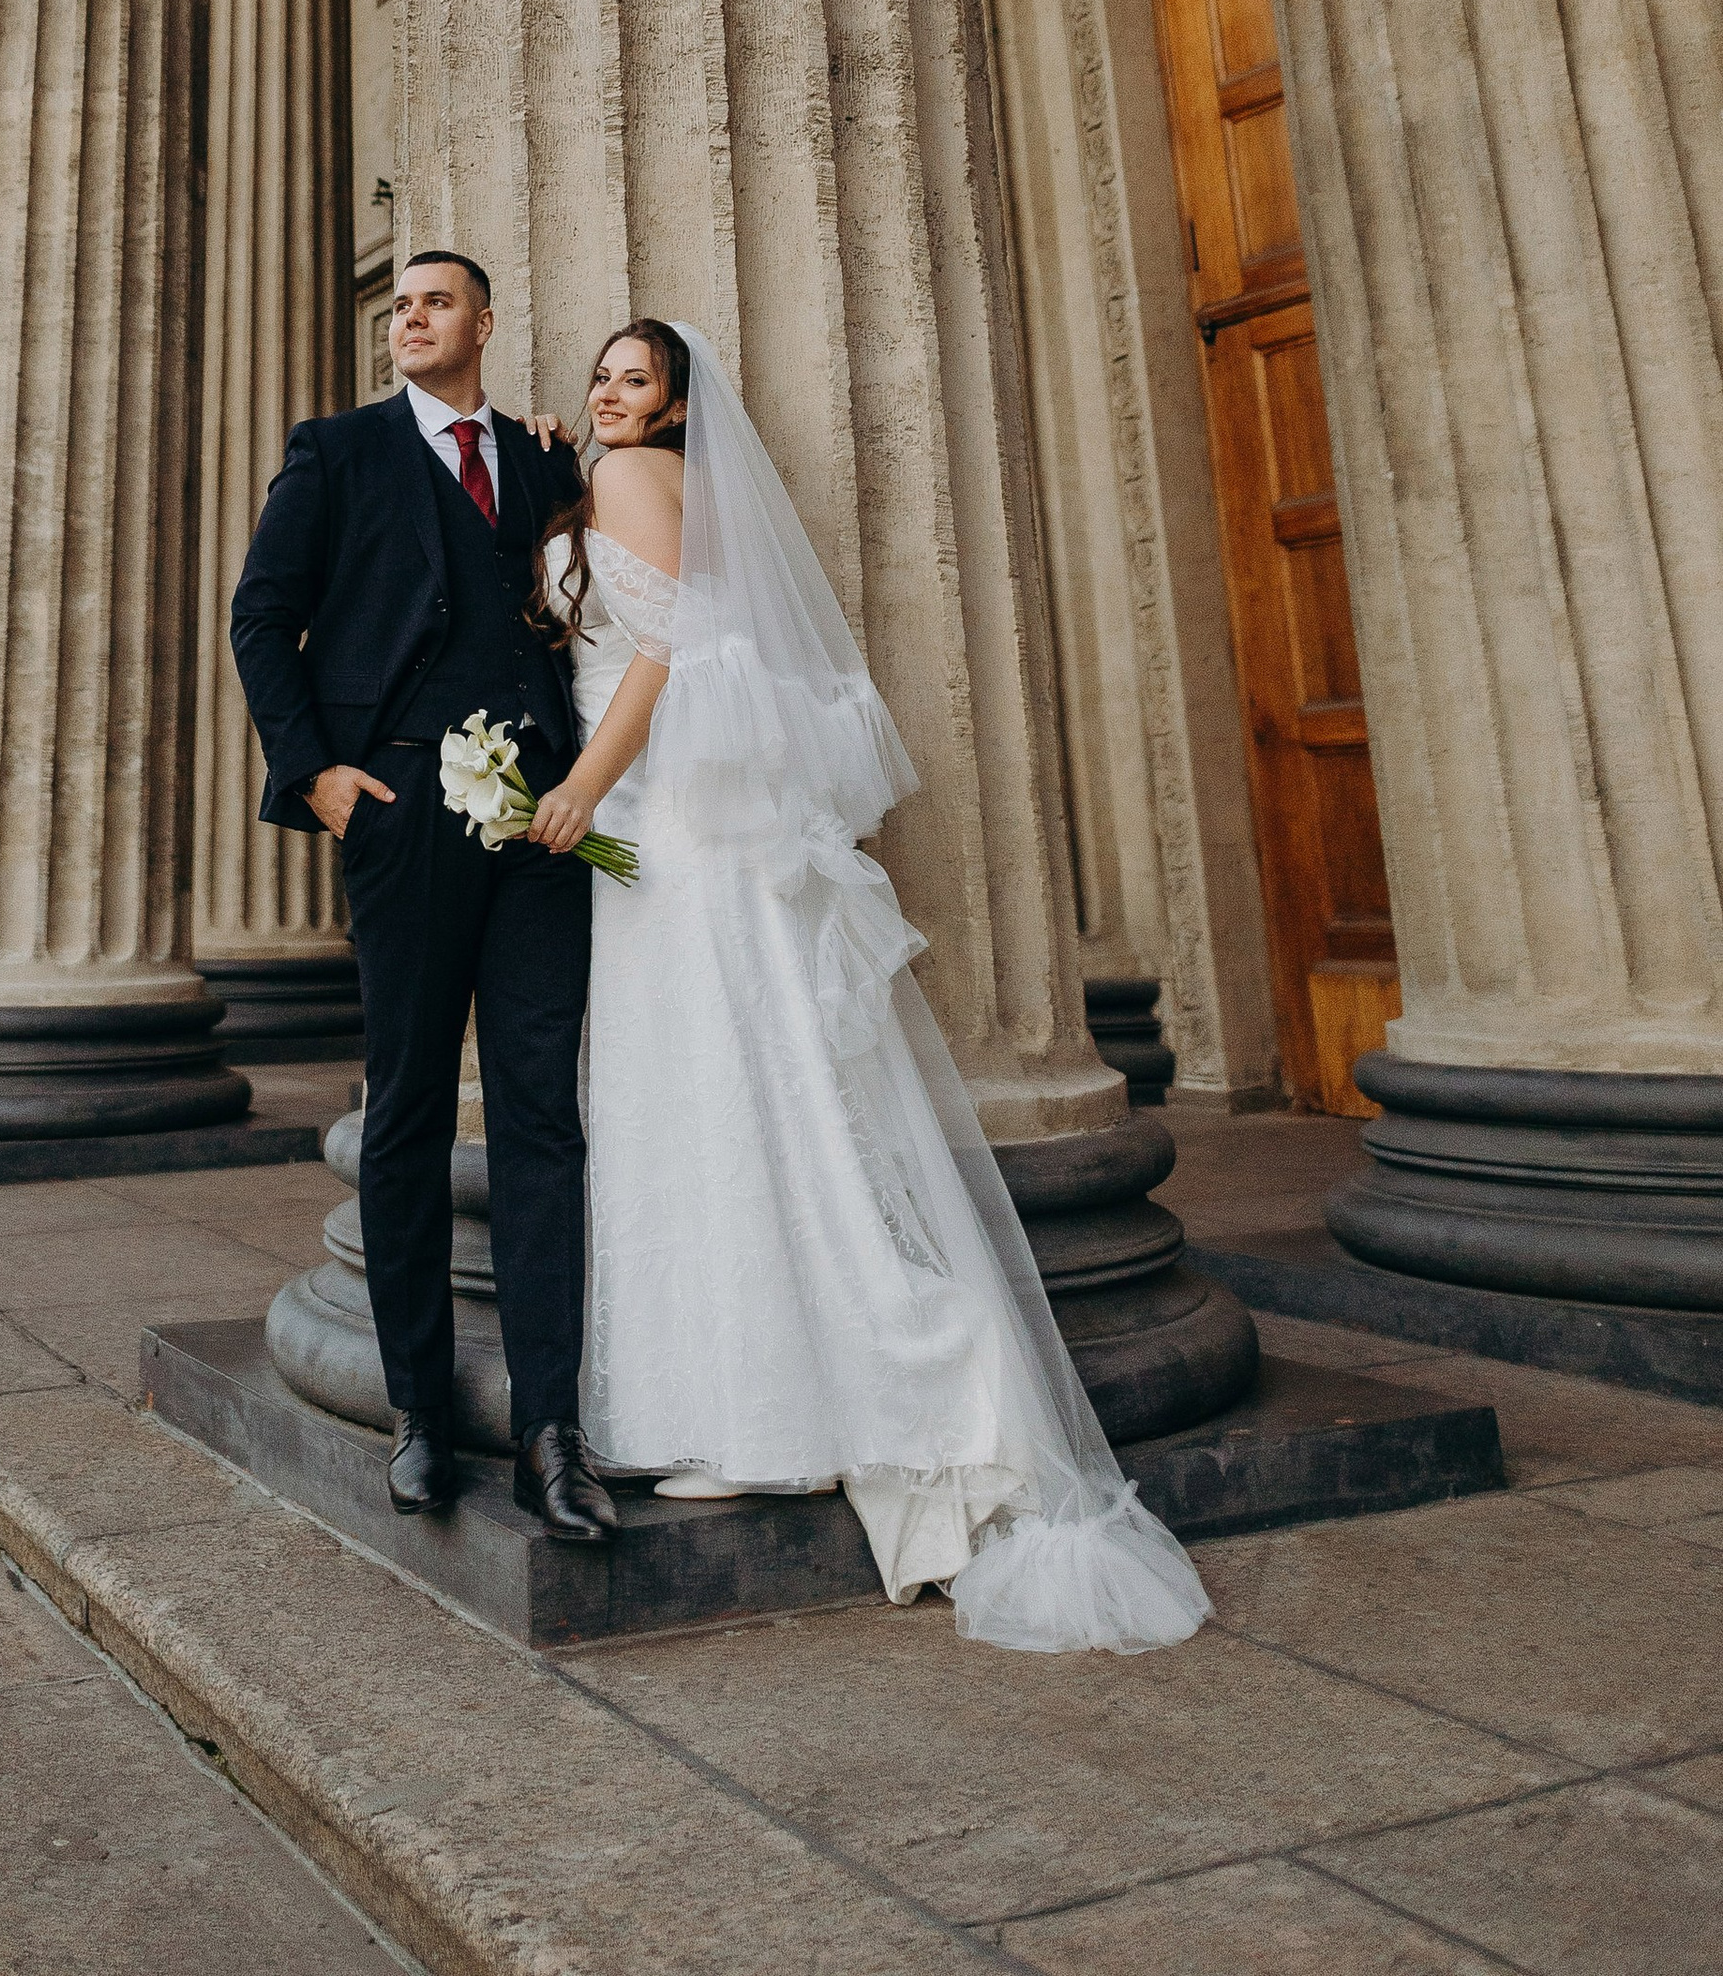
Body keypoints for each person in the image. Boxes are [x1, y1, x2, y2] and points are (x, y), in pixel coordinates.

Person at [526, 317, 1213, 1653]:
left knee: (717, 1103)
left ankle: (764, 1417)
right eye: (599, 377)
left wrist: (576, 789)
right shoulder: (631, 477)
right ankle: (735, 1405)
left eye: (635, 380)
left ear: (676, 407)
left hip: (664, 828)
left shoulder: (629, 481)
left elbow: (665, 659)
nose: (610, 395)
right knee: (709, 1103)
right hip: (666, 838)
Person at [229, 252, 618, 1544]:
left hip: (538, 834)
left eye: (435, 302)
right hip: (397, 818)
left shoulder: (545, 460)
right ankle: (416, 1414)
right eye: (399, 304)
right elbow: (261, 614)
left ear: (485, 325)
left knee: (540, 1118)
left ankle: (553, 1429)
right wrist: (317, 777)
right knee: (401, 1111)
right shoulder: (335, 453)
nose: (408, 316)